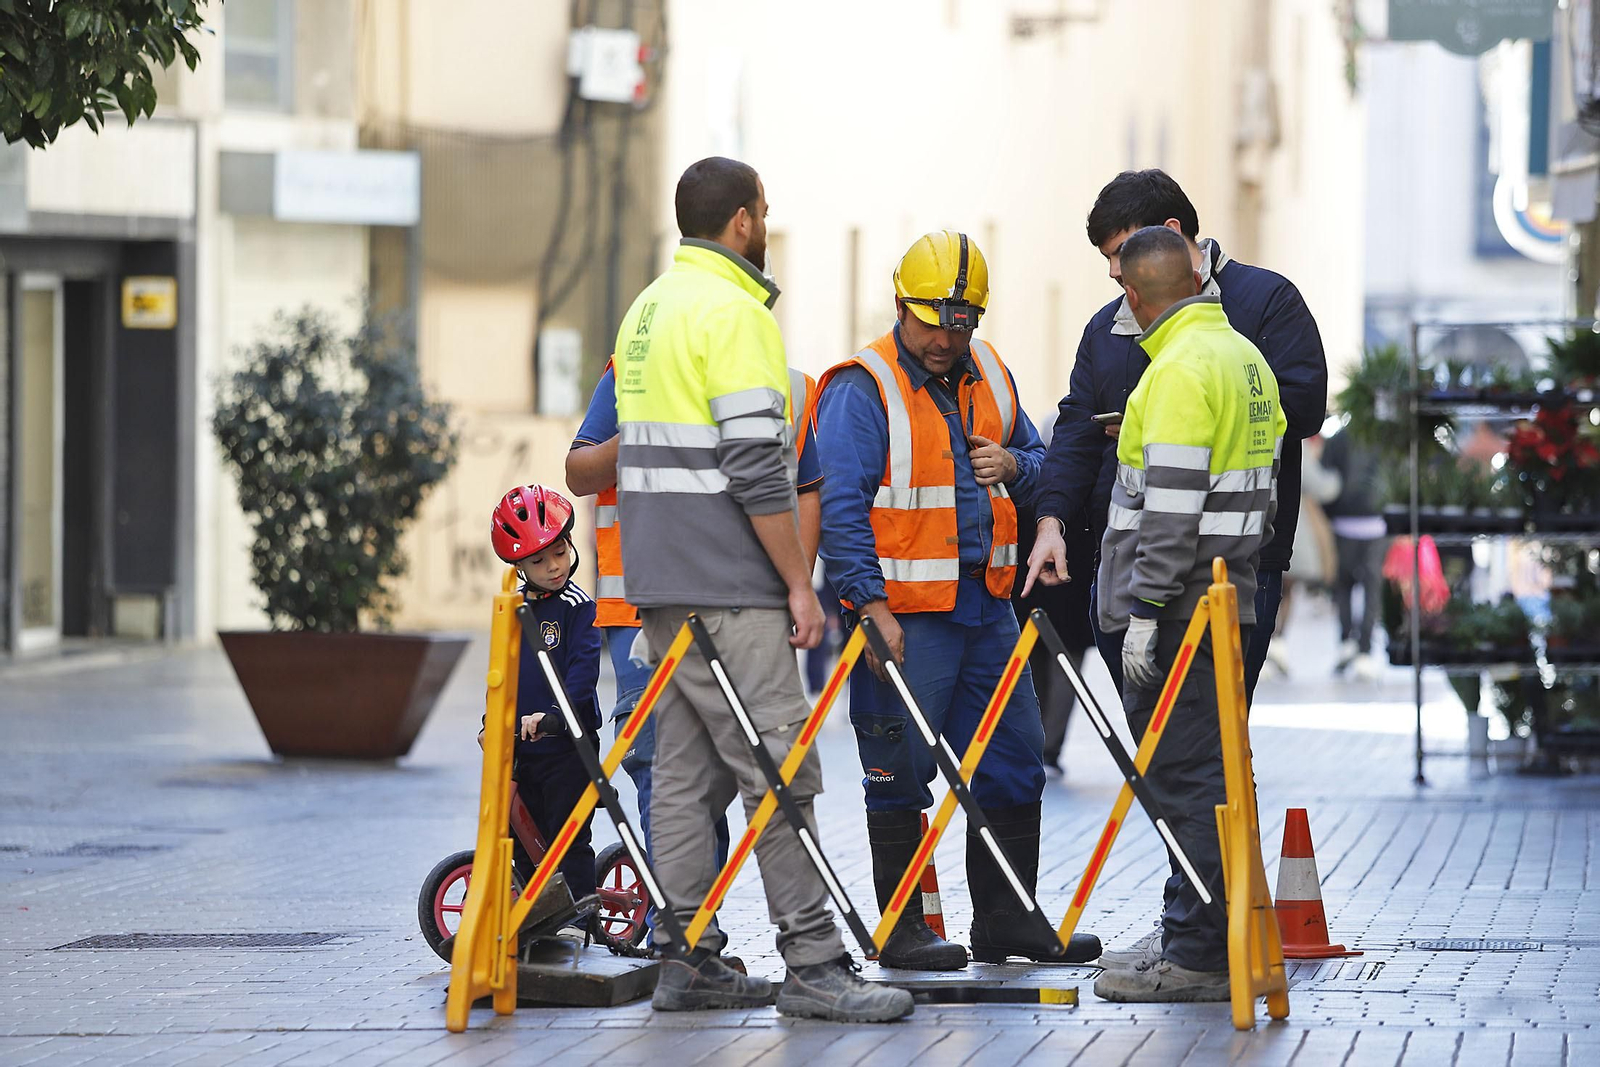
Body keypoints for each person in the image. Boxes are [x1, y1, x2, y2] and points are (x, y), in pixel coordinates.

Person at [614, 155, 912, 1023]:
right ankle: (815, 964)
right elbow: (753, 462)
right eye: (765, 211)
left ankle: (688, 960)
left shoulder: (649, 310)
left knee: (685, 776)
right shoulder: (734, 313)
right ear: (743, 221)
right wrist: (798, 583)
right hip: (731, 589)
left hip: (664, 585)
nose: (768, 224)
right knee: (782, 771)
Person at [817, 229, 1102, 969]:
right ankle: (904, 929)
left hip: (988, 611)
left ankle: (1008, 922)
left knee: (1014, 762)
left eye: (962, 321)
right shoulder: (861, 386)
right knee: (899, 771)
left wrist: (1013, 461)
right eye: (933, 319)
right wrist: (868, 606)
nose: (946, 337)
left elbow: (1043, 463)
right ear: (900, 305)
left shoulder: (993, 375)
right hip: (906, 620)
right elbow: (840, 507)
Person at [1024, 170, 1326, 702]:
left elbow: (1302, 408)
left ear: (1169, 232)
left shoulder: (1265, 301)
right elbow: (1075, 428)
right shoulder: (1107, 326)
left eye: (1122, 252)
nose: (1115, 272)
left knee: (1212, 733)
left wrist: (1179, 416)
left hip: (1237, 562)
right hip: (1126, 558)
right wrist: (1051, 521)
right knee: (1158, 740)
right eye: (1108, 260)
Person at [1086, 227, 1286, 1003]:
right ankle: (1205, 941)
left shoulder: (1175, 371)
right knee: (1212, 776)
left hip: (1177, 615)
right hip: (1226, 594)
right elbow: (1257, 498)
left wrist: (1144, 609)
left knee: (1184, 780)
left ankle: (1200, 955)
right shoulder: (1244, 359)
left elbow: (1168, 506)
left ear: (1134, 296)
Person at [566, 358, 824, 902]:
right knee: (661, 767)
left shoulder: (789, 384)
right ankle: (682, 936)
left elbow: (805, 490)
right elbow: (579, 471)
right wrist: (640, 434)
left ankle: (692, 933)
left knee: (721, 775)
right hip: (642, 608)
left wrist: (795, 589)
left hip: (742, 608)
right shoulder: (634, 371)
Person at [485, 484, 603, 907]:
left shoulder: (579, 607)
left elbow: (582, 676)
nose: (553, 566)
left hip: (568, 747)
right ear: (519, 564)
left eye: (559, 551)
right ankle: (529, 913)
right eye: (538, 560)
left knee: (566, 836)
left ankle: (581, 914)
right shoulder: (512, 610)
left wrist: (556, 715)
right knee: (515, 834)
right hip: (523, 748)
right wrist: (490, 723)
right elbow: (500, 674)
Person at [1318, 428, 1385, 679]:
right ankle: (1365, 649)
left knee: (1343, 584)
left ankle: (1346, 641)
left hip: (1343, 521)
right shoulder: (1384, 437)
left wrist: (1329, 513)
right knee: (1372, 586)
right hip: (1377, 521)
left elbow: (1327, 478)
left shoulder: (1338, 439)